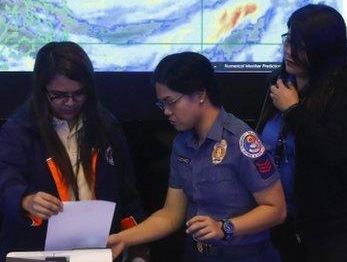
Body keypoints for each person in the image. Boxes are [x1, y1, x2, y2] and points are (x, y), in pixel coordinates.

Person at [108, 52, 286, 261]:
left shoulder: (241, 141)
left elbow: (276, 209)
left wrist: (225, 228)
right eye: (162, 104)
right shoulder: (182, 144)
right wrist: (123, 238)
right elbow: (171, 215)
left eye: (171, 102)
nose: (166, 111)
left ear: (200, 94)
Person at [0, 41, 147, 262]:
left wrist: (138, 248)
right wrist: (25, 199)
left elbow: (127, 193)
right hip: (36, 250)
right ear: (42, 91)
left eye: (79, 94)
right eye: (59, 95)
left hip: (97, 250)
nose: (70, 102)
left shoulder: (106, 126)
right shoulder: (20, 128)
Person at [256, 4, 347, 261]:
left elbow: (331, 150)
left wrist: (293, 110)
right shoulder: (280, 80)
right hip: (280, 217)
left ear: (323, 49)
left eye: (300, 46)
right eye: (288, 40)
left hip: (330, 226)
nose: (288, 51)